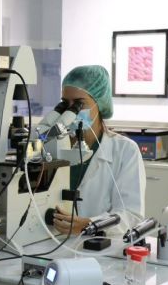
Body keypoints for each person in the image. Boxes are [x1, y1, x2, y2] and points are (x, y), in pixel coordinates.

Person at [52, 65, 146, 236]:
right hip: (50, 241)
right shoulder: (54, 146)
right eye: (66, 104)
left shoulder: (125, 150)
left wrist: (90, 225)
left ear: (99, 104)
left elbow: (132, 216)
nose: (71, 111)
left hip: (100, 248)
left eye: (79, 103)